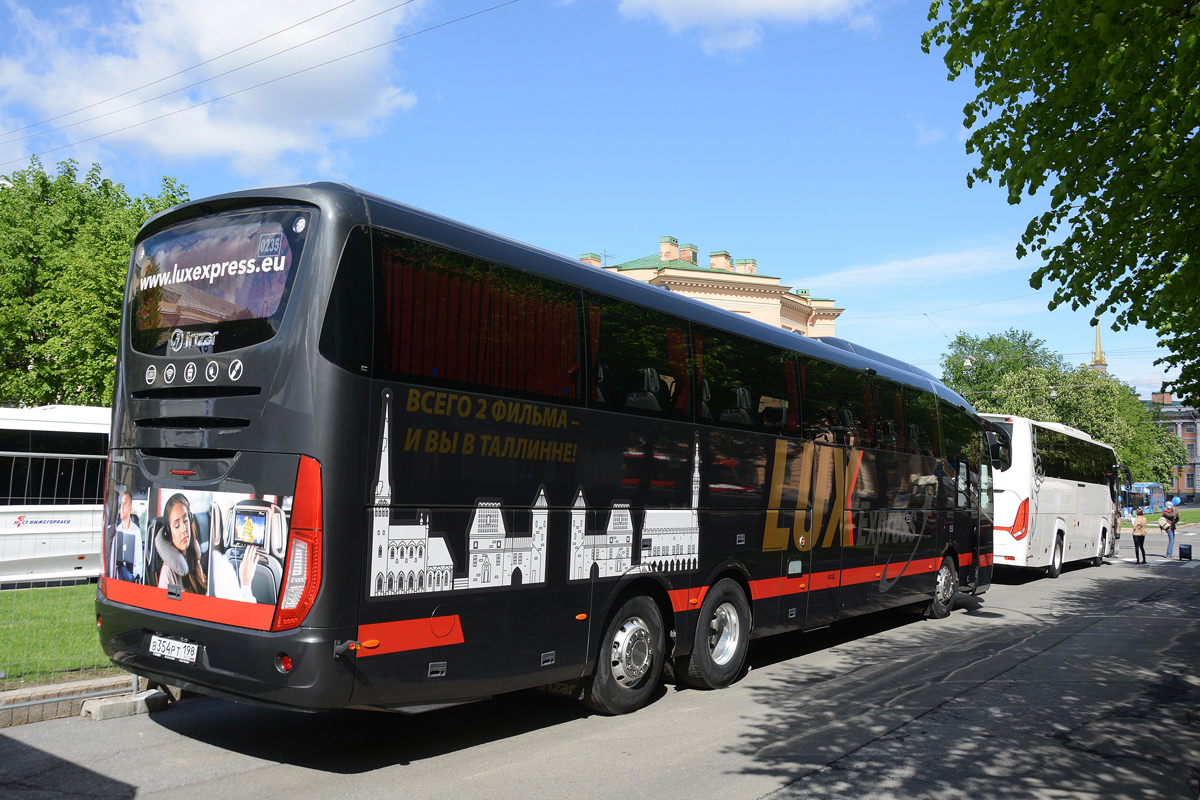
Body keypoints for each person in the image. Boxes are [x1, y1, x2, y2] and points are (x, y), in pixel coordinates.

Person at [156, 493, 208, 595]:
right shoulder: (168, 573)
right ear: (168, 532)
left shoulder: (195, 561)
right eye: (176, 525)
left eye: (185, 520)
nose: (184, 529)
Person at [108, 490, 141, 582]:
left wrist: (135, 576)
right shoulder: (116, 530)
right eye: (121, 504)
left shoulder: (136, 531)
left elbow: (139, 561)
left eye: (125, 504)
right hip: (117, 573)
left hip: (130, 574)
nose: (121, 507)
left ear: (130, 508)